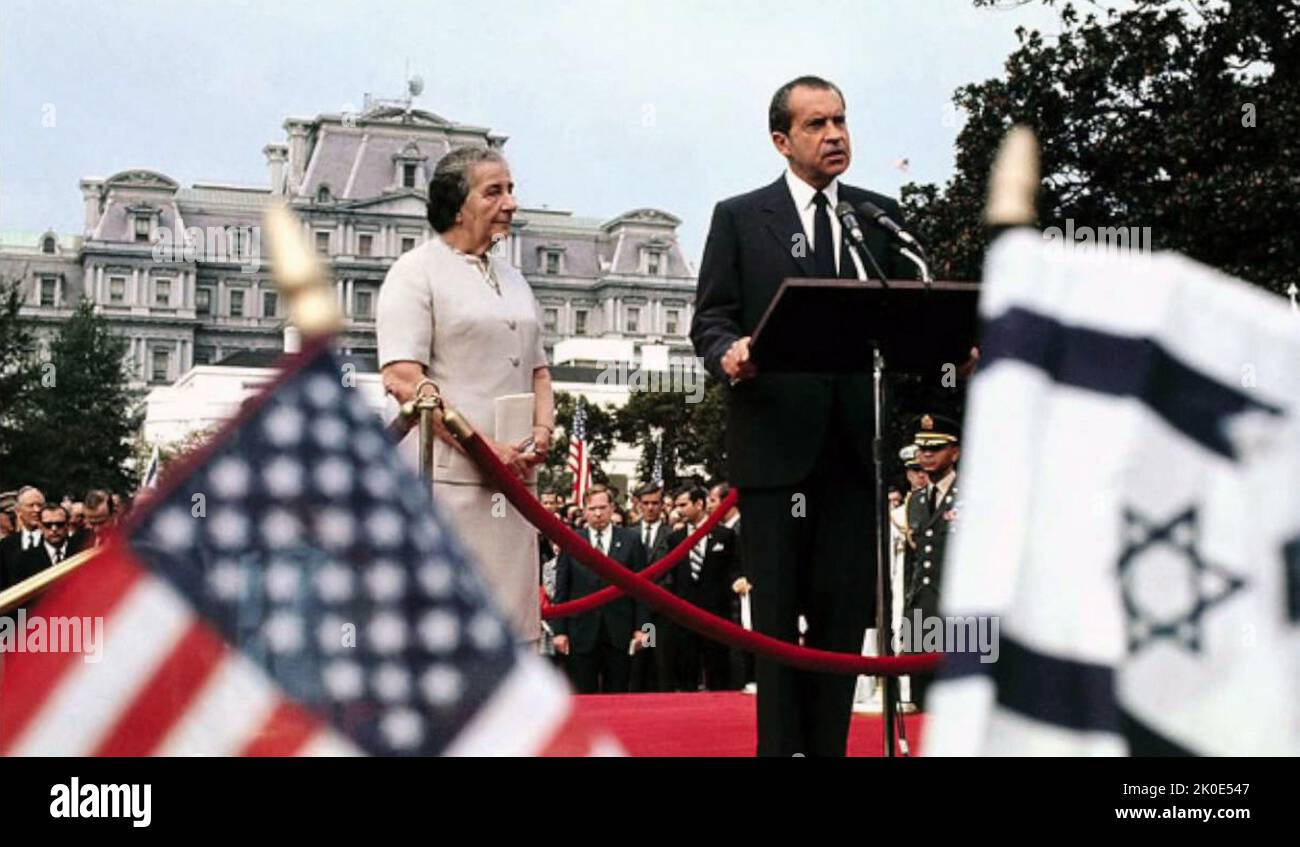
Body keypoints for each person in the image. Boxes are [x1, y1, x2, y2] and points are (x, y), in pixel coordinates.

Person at [690, 75, 917, 756]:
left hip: (855, 451)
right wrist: (728, 352)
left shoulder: (879, 219)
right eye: (816, 124)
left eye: (841, 120)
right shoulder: (739, 216)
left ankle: (829, 750)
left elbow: (908, 310)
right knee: (777, 623)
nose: (835, 135)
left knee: (843, 621)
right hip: (775, 451)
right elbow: (711, 317)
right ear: (781, 140)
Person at [377, 146, 555, 644]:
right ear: (458, 204)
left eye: (511, 190)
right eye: (494, 191)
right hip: (447, 484)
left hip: (516, 480)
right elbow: (404, 380)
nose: (511, 203)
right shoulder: (415, 272)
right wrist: (482, 447)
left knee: (516, 632)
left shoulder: (517, 279)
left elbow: (541, 370)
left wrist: (542, 433)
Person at [551, 487, 649, 693]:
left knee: (619, 695)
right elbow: (562, 591)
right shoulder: (571, 541)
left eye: (603, 507)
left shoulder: (631, 540)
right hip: (581, 634)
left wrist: (644, 629)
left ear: (612, 508)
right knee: (584, 696)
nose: (598, 514)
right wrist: (559, 632)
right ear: (584, 511)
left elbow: (643, 591)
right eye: (592, 508)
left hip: (619, 633)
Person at [903, 413, 961, 709]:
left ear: (955, 452)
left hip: (963, 613)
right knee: (921, 707)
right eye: (922, 448)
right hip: (922, 612)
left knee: (963, 706)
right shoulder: (917, 499)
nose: (926, 454)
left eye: (935, 448)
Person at [667, 485, 739, 691]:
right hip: (685, 616)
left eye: (683, 504)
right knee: (687, 672)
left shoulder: (725, 536)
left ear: (699, 504)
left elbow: (734, 569)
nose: (678, 510)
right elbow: (673, 576)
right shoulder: (675, 539)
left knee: (718, 672)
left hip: (716, 614)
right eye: (676, 505)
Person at [627, 481, 674, 691]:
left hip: (661, 609)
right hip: (634, 610)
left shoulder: (672, 535)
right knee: (637, 664)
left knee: (661, 661)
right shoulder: (628, 534)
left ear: (662, 504)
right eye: (645, 503)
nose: (650, 507)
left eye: (655, 503)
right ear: (637, 504)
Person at [0, 486, 46, 590]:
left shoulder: (54, 542)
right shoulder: (4, 546)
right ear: (18, 510)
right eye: (31, 506)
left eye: (40, 505)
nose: (37, 510)